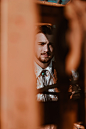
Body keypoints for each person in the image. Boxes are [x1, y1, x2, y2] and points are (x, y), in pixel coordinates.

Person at [34, 24, 58, 102]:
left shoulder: (64, 73)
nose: (46, 50)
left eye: (50, 44)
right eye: (41, 44)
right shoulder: (23, 74)